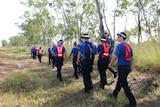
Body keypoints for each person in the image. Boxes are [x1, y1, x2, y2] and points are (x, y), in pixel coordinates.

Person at [108, 32, 137, 107]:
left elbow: (115, 57)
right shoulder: (128, 46)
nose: (117, 37)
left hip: (122, 67)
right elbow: (131, 57)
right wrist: (130, 67)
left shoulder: (119, 46)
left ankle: (132, 102)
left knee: (124, 84)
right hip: (127, 67)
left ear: (122, 37)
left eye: (118, 36)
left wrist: (110, 64)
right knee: (120, 81)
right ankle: (114, 95)